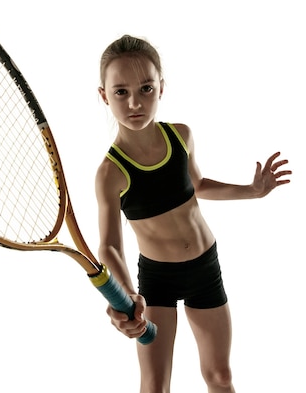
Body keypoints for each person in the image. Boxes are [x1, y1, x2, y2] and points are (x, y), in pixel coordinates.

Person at [94, 35, 292, 393]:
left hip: (204, 268)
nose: (135, 101)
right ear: (104, 95)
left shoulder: (181, 136)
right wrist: (127, 292)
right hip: (157, 281)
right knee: (155, 386)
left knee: (220, 377)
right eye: (121, 92)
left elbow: (197, 185)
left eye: (146, 88)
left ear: (161, 88)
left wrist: (252, 191)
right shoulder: (111, 173)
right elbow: (109, 246)